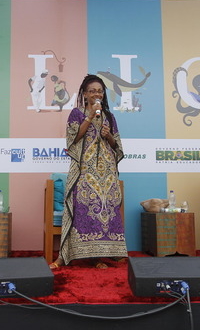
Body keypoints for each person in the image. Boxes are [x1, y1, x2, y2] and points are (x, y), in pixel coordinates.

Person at [49, 74, 127, 270]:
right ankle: (67, 256)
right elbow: (73, 140)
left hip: (107, 173)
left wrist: (108, 135)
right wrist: (91, 115)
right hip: (85, 171)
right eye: (92, 91)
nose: (96, 94)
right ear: (84, 94)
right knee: (83, 211)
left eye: (99, 91)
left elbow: (116, 147)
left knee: (107, 211)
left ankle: (100, 256)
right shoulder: (76, 113)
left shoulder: (109, 116)